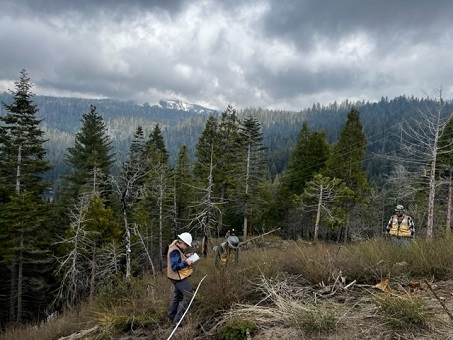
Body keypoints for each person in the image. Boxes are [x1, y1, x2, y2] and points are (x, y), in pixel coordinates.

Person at [167, 232, 196, 326]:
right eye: (186, 244)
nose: (186, 246)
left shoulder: (176, 248)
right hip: (178, 278)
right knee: (189, 296)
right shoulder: (175, 250)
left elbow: (178, 259)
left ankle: (171, 315)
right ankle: (177, 321)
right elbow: (175, 267)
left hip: (175, 277)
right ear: (182, 242)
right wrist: (186, 263)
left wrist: (185, 256)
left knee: (178, 296)